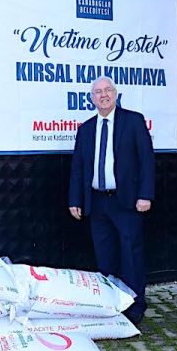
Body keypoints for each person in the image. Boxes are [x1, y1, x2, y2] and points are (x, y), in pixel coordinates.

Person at [68, 76, 155, 325]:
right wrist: (75, 199)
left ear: (116, 94)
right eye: (98, 92)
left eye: (108, 90)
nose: (103, 95)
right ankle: (111, 304)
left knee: (131, 254)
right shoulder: (85, 129)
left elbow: (147, 160)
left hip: (127, 202)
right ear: (92, 98)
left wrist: (145, 195)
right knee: (105, 257)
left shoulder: (134, 121)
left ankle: (135, 305)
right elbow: (78, 168)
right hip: (97, 203)